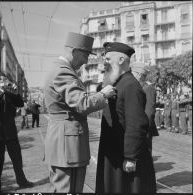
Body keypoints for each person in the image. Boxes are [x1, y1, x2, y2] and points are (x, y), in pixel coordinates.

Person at [43, 32, 116, 193]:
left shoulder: (61, 69)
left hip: (65, 142)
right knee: (67, 189)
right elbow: (81, 103)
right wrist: (103, 94)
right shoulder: (63, 71)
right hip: (67, 144)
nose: (86, 61)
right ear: (74, 50)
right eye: (85, 55)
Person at [95, 42, 156, 193]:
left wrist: (130, 157)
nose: (105, 62)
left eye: (108, 59)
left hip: (124, 155)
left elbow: (136, 123)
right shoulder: (118, 83)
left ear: (121, 60)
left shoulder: (130, 85)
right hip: (114, 152)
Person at [0, 74, 33, 189]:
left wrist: (15, 91)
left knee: (17, 160)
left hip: (11, 133)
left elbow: (20, 103)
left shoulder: (8, 95)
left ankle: (22, 182)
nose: (3, 82)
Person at [131, 63, 159, 154]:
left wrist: (144, 126)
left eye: (133, 73)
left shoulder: (148, 88)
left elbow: (150, 110)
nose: (131, 75)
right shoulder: (133, 87)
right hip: (134, 124)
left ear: (139, 75)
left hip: (143, 125)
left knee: (145, 151)